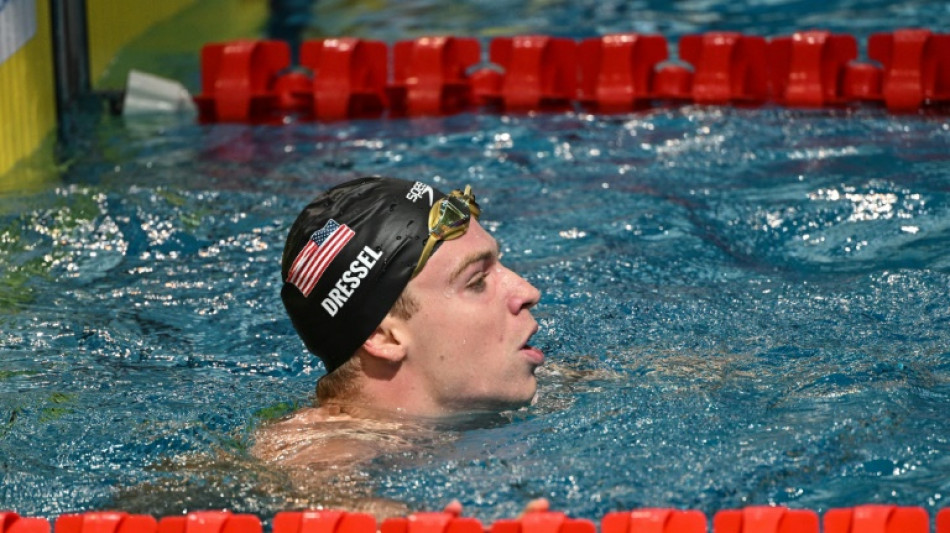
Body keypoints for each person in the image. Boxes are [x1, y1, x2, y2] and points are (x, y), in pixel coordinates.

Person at [251, 176, 547, 513]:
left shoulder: (546, 384)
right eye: (477, 281)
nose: (527, 291)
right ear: (384, 336)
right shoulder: (315, 461)